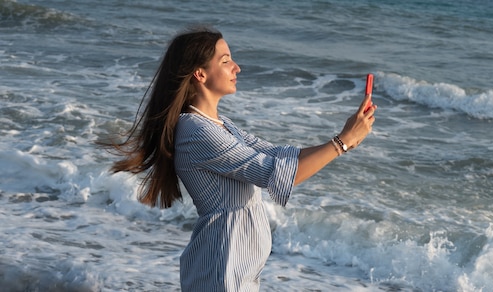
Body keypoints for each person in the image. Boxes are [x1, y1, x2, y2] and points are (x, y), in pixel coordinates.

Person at [107, 25, 376, 291]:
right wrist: (341, 142)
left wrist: (345, 139)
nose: (237, 68)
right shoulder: (197, 131)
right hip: (222, 269)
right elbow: (277, 174)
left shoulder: (220, 124)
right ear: (200, 74)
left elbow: (280, 155)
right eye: (226, 61)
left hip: (234, 268)